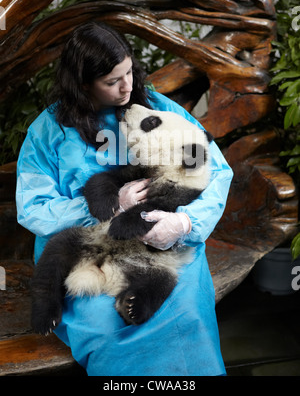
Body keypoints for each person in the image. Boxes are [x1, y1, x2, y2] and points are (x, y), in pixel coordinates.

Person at [16, 21, 233, 376]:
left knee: (184, 315)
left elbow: (215, 171)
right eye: (111, 81)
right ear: (83, 83)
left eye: (129, 72)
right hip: (90, 249)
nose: (127, 87)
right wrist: (111, 206)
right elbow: (33, 208)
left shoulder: (159, 109)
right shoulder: (47, 131)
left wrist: (185, 223)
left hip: (165, 246)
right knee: (106, 325)